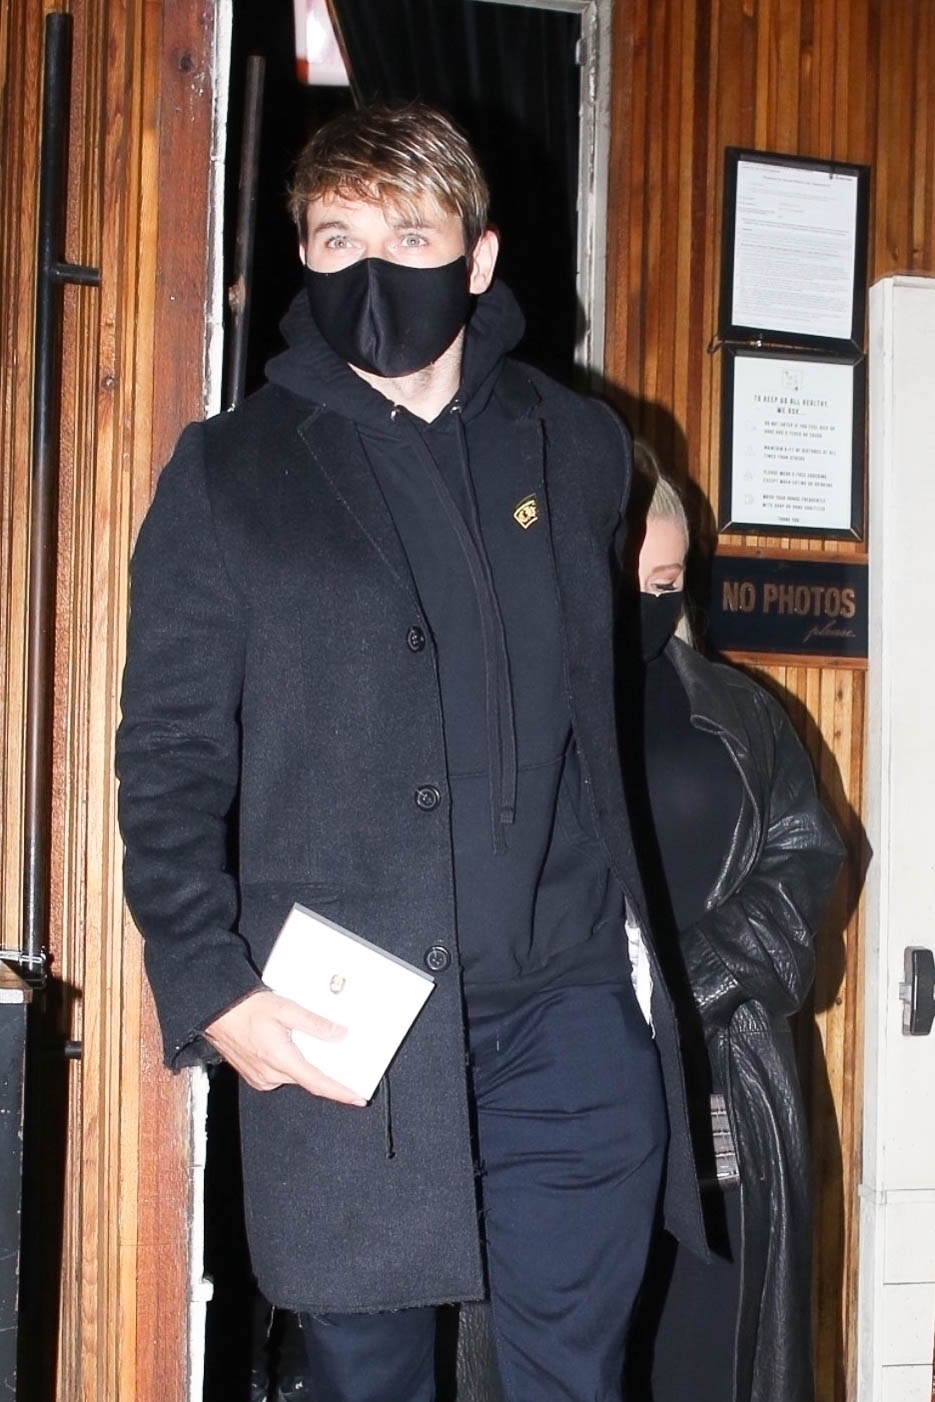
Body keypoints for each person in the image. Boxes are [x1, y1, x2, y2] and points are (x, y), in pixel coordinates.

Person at [115, 102, 704, 1402]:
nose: (371, 269)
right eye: (336, 239)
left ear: (477, 258)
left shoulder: (577, 447)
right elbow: (166, 755)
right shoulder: (228, 472)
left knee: (574, 1381)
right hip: (348, 1028)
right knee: (366, 1382)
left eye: (409, 236)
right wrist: (211, 984)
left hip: (565, 1022)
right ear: (301, 256)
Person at [619, 462, 845, 1402]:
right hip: (563, 1075)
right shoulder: (518, 713)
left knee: (710, 1338)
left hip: (720, 1071)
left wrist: (684, 978)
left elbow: (806, 863)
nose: (649, 606)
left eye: (667, 583)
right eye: (629, 582)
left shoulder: (740, 711)